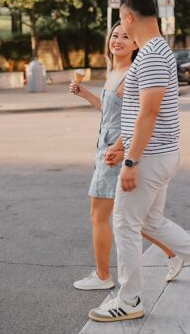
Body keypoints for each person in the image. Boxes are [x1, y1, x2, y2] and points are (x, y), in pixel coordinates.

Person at [89, 0, 190, 323]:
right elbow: (142, 112)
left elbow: (149, 113)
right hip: (158, 153)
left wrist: (131, 162)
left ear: (128, 17)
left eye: (122, 22)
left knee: (124, 224)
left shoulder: (152, 54)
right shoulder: (157, 51)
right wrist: (123, 145)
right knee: (151, 222)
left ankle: (129, 299)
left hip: (151, 157)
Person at [69, 22, 182, 291]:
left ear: (135, 45)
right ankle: (175, 254)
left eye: (125, 37)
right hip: (108, 148)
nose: (118, 40)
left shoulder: (130, 73)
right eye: (114, 35)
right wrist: (85, 94)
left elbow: (135, 119)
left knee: (100, 216)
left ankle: (102, 275)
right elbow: (110, 113)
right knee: (133, 218)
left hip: (114, 152)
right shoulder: (114, 72)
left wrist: (121, 151)